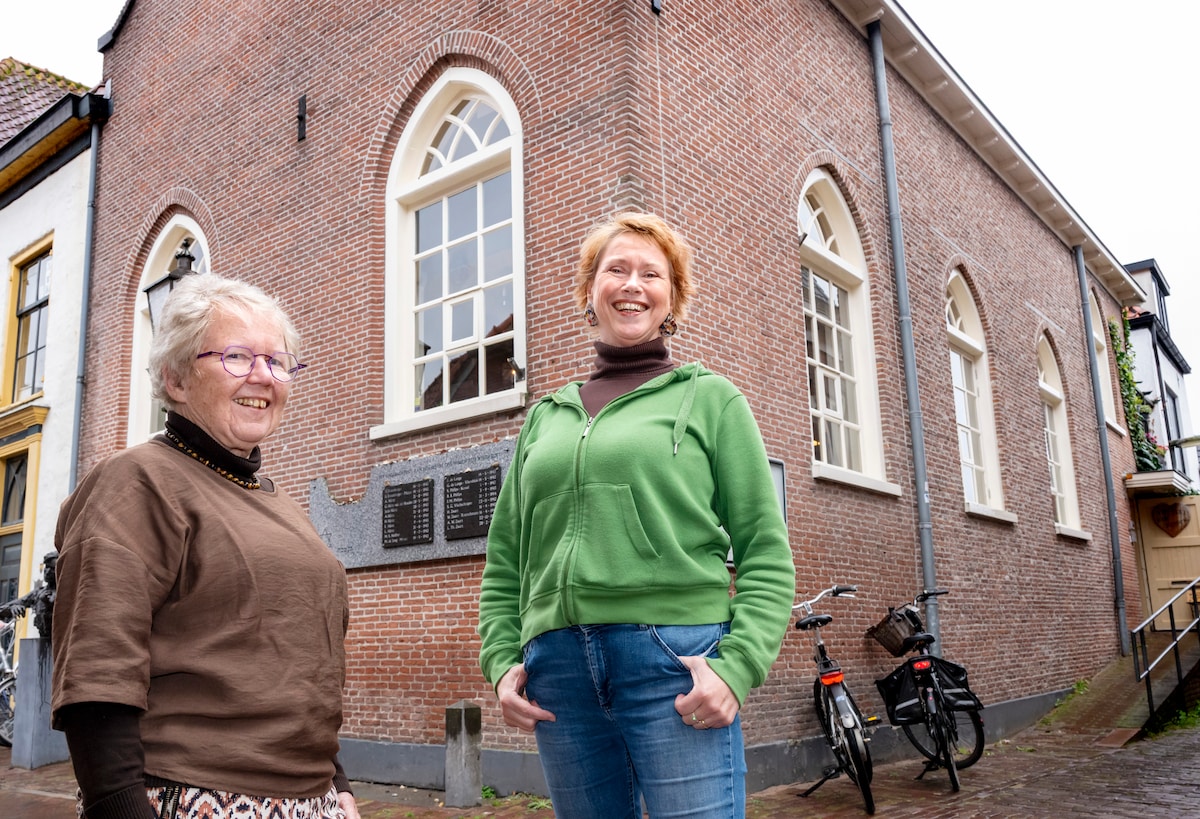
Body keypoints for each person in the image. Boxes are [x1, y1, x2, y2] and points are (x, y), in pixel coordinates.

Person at [478, 212, 796, 818]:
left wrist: (738, 668)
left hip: (673, 663)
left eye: (652, 274)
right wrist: (501, 663)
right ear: (589, 292)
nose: (632, 284)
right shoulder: (546, 417)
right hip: (558, 675)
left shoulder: (712, 399)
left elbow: (765, 550)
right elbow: (505, 561)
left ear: (672, 298)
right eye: (615, 269)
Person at [52, 274, 359, 819]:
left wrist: (338, 787)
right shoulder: (138, 480)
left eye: (278, 361)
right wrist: (118, 806)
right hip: (194, 797)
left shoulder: (278, 500)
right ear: (175, 378)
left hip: (312, 801)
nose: (263, 375)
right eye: (238, 356)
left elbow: (298, 662)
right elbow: (98, 669)